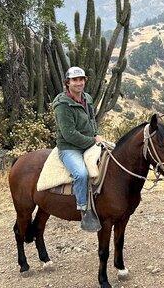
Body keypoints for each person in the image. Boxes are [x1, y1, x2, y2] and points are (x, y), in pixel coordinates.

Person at [53, 66, 103, 232]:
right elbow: (69, 134)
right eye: (75, 80)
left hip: (89, 142)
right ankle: (84, 209)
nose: (79, 83)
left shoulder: (87, 98)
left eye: (81, 79)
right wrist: (92, 141)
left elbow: (92, 120)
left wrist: (96, 135)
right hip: (69, 148)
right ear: (67, 83)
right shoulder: (62, 105)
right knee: (81, 174)